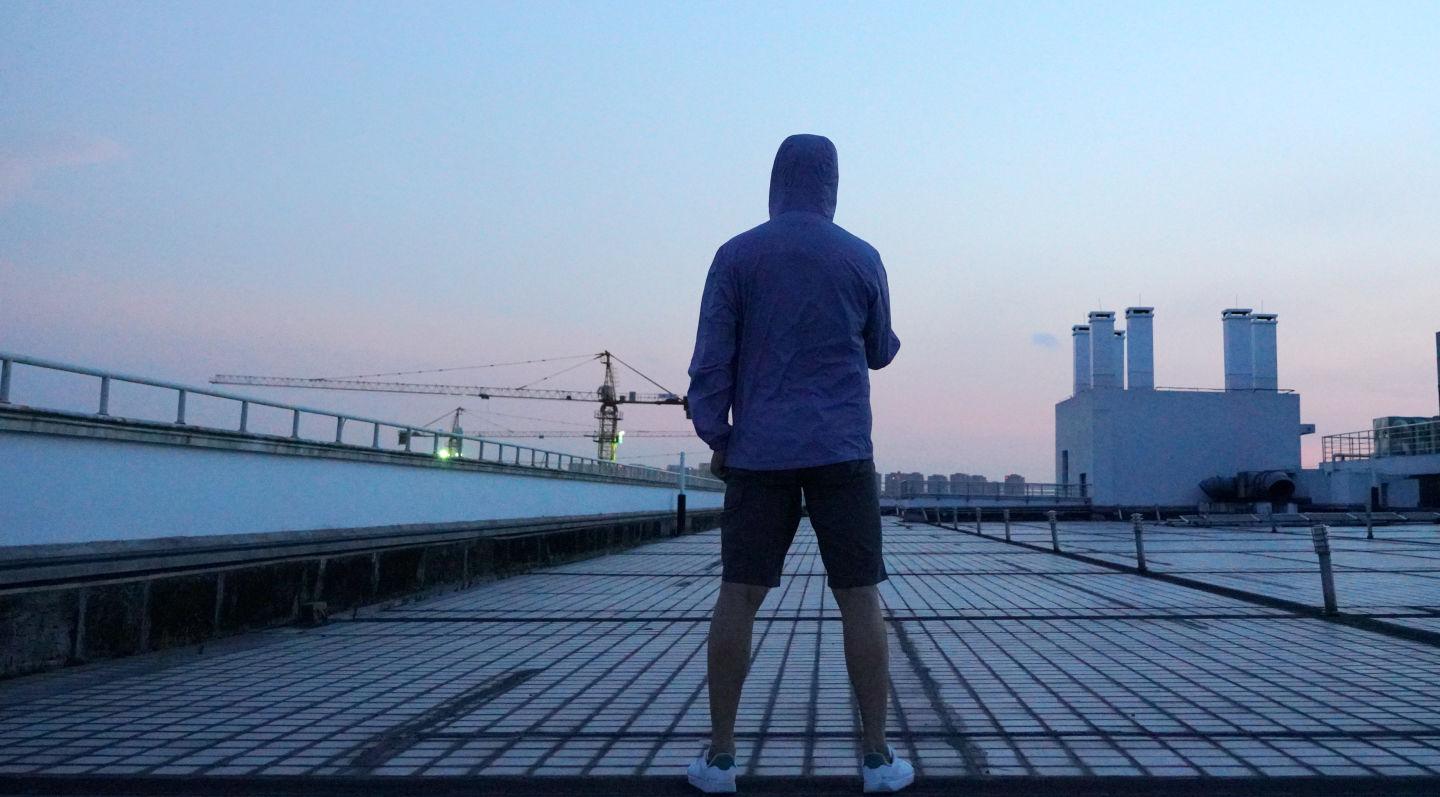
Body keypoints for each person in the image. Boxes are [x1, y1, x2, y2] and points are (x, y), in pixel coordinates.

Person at [684, 134, 910, 794]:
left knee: (739, 594)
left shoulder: (736, 256)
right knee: (859, 596)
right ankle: (877, 758)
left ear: (776, 181)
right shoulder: (862, 257)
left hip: (759, 452)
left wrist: (717, 435)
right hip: (842, 450)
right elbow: (880, 350)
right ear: (832, 184)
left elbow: (711, 360)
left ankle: (721, 758)